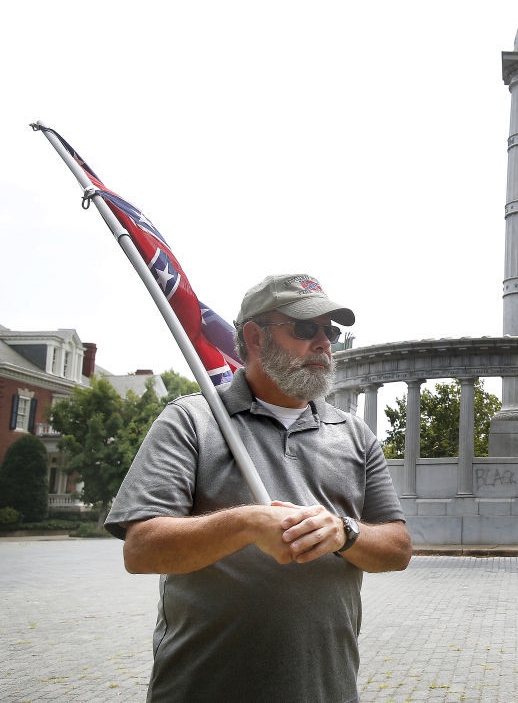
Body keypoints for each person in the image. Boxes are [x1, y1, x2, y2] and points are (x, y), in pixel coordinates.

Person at [105, 273, 412, 702]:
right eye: (306, 329)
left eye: (331, 330)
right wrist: (246, 523)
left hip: (326, 691)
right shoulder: (191, 420)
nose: (324, 342)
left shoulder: (355, 435)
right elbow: (141, 550)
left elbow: (398, 549)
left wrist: (345, 532)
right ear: (254, 337)